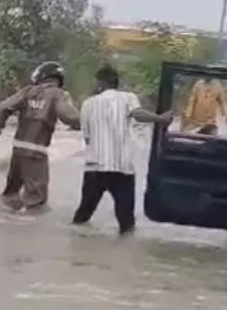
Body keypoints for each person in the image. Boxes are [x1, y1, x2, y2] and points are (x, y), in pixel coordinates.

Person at [72, 65, 172, 235]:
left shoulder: (87, 104)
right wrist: (160, 119)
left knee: (82, 215)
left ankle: (76, 249)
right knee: (126, 221)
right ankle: (125, 248)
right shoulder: (128, 97)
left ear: (100, 84)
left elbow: (87, 138)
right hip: (122, 167)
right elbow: (138, 114)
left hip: (95, 167)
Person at [0, 61, 81, 212]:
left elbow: (2, 108)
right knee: (36, 203)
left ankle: (3, 225)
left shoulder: (27, 91)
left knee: (10, 195)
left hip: (18, 151)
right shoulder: (58, 94)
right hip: (36, 153)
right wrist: (84, 124)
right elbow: (70, 117)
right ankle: (27, 233)